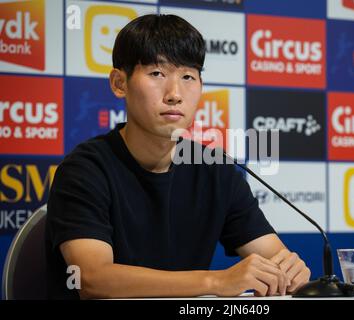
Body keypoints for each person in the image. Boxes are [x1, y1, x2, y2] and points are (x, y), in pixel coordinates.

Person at [45, 14, 310, 300]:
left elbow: (274, 257)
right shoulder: (85, 169)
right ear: (119, 83)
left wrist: (288, 269)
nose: (174, 94)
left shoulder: (215, 169)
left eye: (187, 77)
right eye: (157, 74)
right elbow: (92, 279)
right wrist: (216, 282)